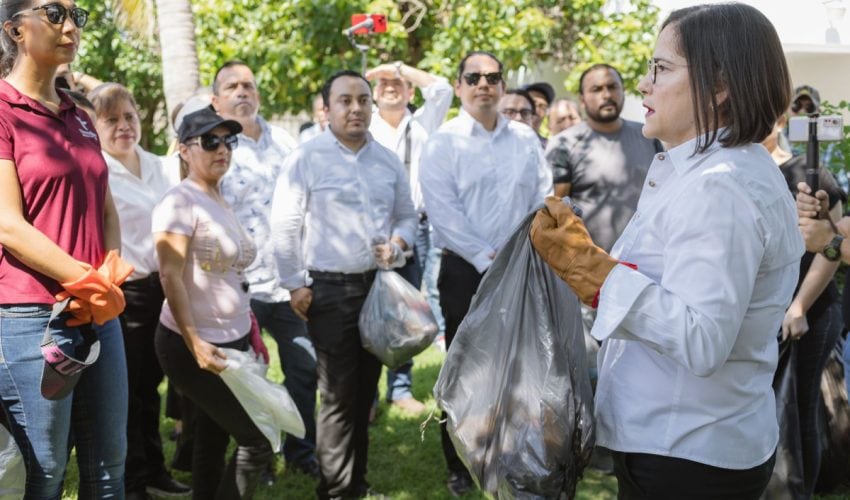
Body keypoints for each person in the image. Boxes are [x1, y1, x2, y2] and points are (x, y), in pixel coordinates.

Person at [530, 4, 803, 498]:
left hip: (687, 454)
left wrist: (593, 272)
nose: (643, 85)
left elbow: (702, 338)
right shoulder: (710, 171)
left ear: (719, 86)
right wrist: (594, 264)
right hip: (685, 441)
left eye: (661, 68)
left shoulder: (721, 185)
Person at [0, 1, 129, 497]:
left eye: (77, 15)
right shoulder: (3, 110)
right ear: (14, 29)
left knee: (109, 467)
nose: (71, 26)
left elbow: (106, 208)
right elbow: (7, 224)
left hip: (97, 312)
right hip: (31, 316)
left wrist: (109, 271)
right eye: (54, 13)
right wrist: (85, 279)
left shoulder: (80, 116)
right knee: (44, 472)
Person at [271, 70, 417, 499]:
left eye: (363, 100)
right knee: (337, 396)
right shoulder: (306, 157)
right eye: (345, 100)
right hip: (329, 292)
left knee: (364, 392)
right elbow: (284, 225)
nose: (356, 108)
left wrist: (397, 243)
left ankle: (356, 484)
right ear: (327, 108)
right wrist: (295, 285)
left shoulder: (387, 159)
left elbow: (407, 216)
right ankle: (335, 490)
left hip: (378, 289)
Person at [419, 51, 552, 497]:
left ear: (503, 85)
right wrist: (485, 257)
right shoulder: (442, 142)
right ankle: (460, 462)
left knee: (519, 368)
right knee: (464, 370)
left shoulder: (525, 139)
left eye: (493, 77)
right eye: (473, 77)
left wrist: (518, 255)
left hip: (521, 267)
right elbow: (444, 213)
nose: (484, 84)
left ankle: (511, 456)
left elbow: (542, 198)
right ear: (458, 86)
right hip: (465, 270)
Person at [153, 107, 273, 499]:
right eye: (210, 141)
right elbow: (170, 276)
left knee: (211, 438)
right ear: (185, 150)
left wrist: (249, 330)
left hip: (232, 338)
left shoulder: (218, 196)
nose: (222, 149)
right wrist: (194, 342)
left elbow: (230, 276)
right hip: (193, 344)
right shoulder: (179, 201)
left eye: (228, 141)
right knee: (256, 441)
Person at [212, 60, 320, 479]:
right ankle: (258, 456)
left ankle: (301, 452)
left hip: (289, 283)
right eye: (232, 87)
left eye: (248, 85)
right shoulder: (215, 146)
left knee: (304, 368)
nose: (242, 92)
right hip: (239, 287)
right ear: (216, 100)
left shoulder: (286, 142)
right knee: (248, 377)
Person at [89, 82, 191, 500]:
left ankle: (154, 470)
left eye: (129, 117)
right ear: (94, 126)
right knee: (126, 394)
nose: (123, 126)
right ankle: (131, 482)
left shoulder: (158, 165)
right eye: (111, 120)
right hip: (125, 293)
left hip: (163, 288)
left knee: (152, 386)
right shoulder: (96, 169)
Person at [762, 114, 845, 497]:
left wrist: (798, 307)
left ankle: (800, 491)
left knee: (800, 410)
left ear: (780, 120)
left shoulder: (811, 174)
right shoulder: (738, 172)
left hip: (810, 312)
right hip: (763, 315)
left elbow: (831, 248)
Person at [365, 60, 453, 416]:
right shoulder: (365, 123)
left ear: (409, 90)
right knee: (367, 310)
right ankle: (368, 394)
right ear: (373, 93)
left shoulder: (422, 123)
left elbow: (443, 89)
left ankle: (399, 388)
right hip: (369, 232)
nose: (390, 86)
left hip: (413, 230)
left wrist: (399, 67)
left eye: (397, 83)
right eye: (383, 82)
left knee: (405, 311)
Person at [545, 63, 662, 244]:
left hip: (647, 256)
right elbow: (555, 213)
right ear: (582, 100)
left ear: (623, 91)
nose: (607, 95)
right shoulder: (564, 145)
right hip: (589, 258)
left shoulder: (649, 136)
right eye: (596, 89)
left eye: (612, 87)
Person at [522, 81, 554, 147]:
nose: (536, 109)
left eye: (542, 106)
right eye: (532, 103)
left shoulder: (548, 147)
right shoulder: (503, 138)